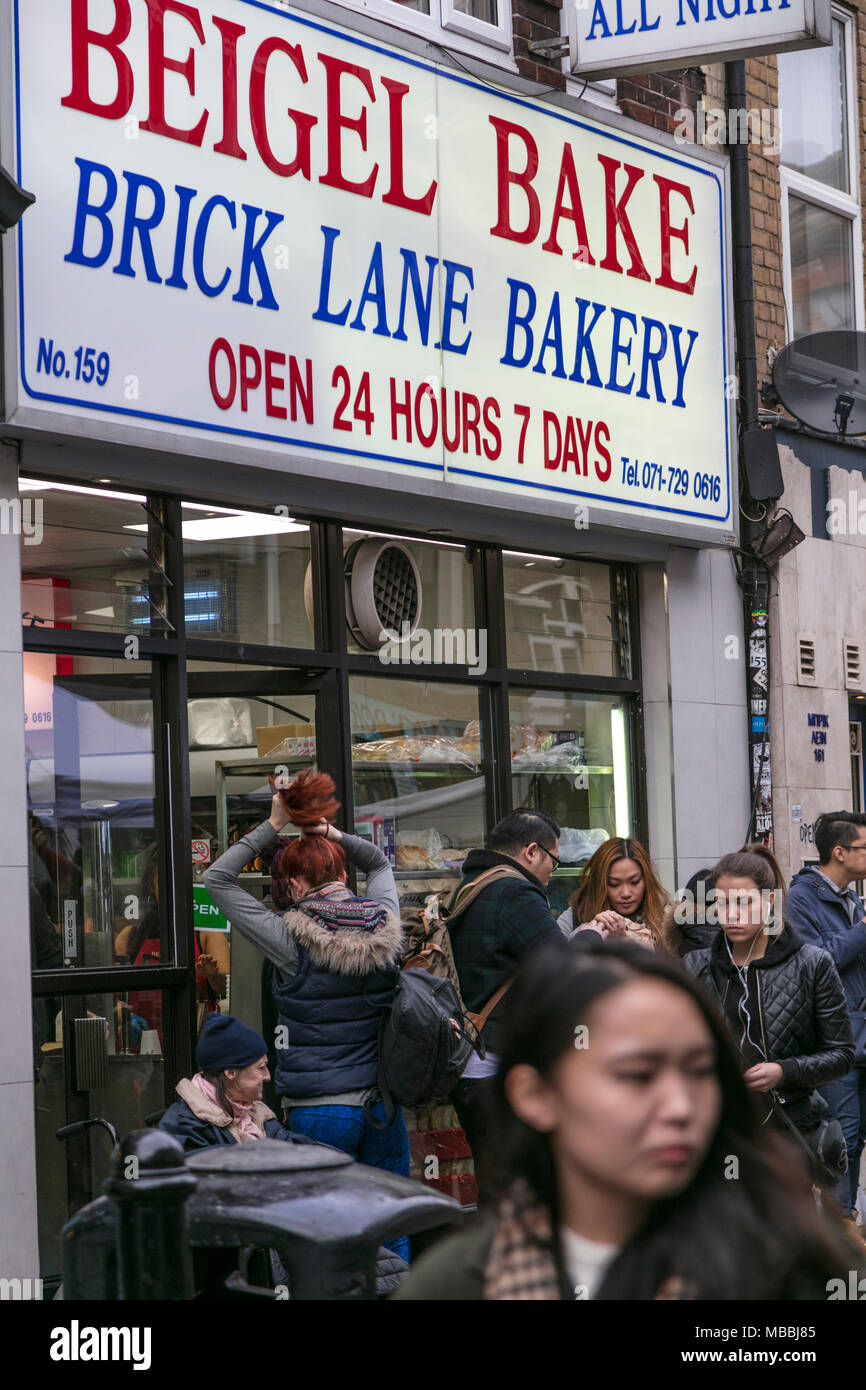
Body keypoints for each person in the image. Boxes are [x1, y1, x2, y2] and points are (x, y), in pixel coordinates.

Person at [394, 936, 863, 1300]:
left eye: (700, 1070)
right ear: (536, 1094)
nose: (680, 1107)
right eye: (637, 1075)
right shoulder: (457, 1283)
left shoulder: (799, 1259)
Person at [204, 770, 410, 1259]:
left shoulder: (288, 938)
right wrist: (332, 835)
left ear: (295, 884)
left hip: (321, 1109)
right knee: (392, 1222)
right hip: (382, 1106)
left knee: (321, 1233)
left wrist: (274, 826)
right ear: (342, 876)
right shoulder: (385, 920)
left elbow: (216, 878)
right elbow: (379, 863)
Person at [684, 845, 853, 1173]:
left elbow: (842, 1054)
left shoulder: (811, 964)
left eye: (744, 903)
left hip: (789, 1129)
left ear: (770, 901)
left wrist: (785, 1071)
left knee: (783, 1222)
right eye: (722, 904)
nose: (731, 915)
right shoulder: (697, 965)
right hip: (718, 1132)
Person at [447, 808, 561, 1200]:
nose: (552, 871)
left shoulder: (471, 883)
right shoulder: (515, 891)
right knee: (516, 1188)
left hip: (470, 1065)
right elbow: (562, 965)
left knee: (497, 1182)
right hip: (495, 1064)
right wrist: (592, 935)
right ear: (532, 851)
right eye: (553, 860)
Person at [786, 811, 866, 1216]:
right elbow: (820, 961)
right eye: (865, 847)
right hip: (836, 1040)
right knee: (842, 1139)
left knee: (859, 1136)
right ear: (840, 852)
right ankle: (840, 1235)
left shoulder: (852, 898)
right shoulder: (801, 898)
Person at [115, 844, 228, 1047]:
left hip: (198, 1046)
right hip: (142, 1049)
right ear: (151, 885)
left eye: (182, 880)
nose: (175, 888)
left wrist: (213, 975)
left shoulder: (208, 934)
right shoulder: (129, 937)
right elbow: (114, 998)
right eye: (166, 880)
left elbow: (225, 992)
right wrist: (123, 1016)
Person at [160, 1013, 304, 1150]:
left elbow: (294, 1147)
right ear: (231, 1073)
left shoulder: (258, 1115)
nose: (267, 1077)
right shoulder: (184, 1128)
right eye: (261, 1068)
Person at [558, 836, 672, 950]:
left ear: (647, 880)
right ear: (599, 884)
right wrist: (589, 934)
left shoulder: (665, 917)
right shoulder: (575, 916)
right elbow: (553, 958)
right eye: (614, 884)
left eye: (634, 882)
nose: (626, 893)